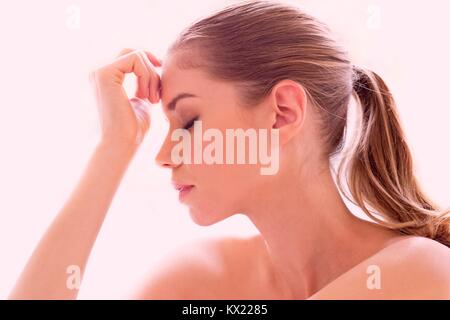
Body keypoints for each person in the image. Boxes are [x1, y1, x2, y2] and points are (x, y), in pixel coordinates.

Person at [9, 0, 450, 300]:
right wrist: (113, 147)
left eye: (190, 121)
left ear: (282, 113)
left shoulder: (421, 273)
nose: (164, 155)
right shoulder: (197, 280)